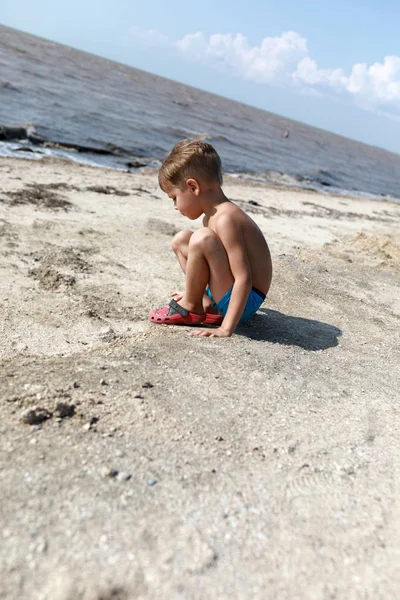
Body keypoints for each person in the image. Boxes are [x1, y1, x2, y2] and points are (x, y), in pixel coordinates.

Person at [148, 138, 272, 337]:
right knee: (181, 240)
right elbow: (213, 264)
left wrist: (226, 329)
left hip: (245, 301)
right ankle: (199, 299)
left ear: (193, 187)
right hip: (228, 293)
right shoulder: (211, 217)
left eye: (174, 198)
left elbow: (244, 277)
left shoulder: (226, 219)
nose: (175, 206)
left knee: (202, 238)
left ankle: (191, 306)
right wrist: (194, 289)